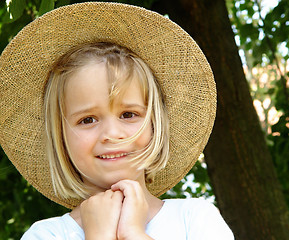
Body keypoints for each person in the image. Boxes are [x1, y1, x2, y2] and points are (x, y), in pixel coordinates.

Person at [0, 2, 234, 240]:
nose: (112, 133)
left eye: (128, 114)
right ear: (61, 137)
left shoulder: (195, 218)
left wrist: (132, 233)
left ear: (155, 124)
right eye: (87, 119)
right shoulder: (45, 235)